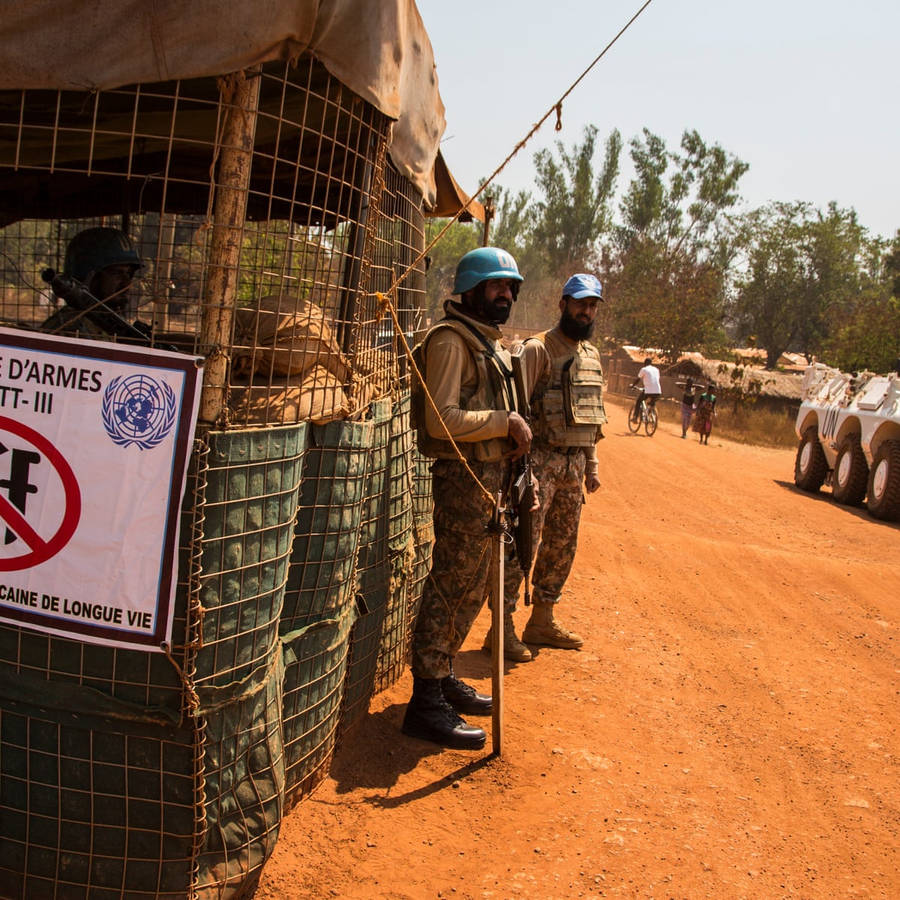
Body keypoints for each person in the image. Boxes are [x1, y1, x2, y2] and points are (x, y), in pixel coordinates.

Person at [403, 246, 533, 750]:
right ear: (473, 289)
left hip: (488, 480)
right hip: (463, 482)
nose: (506, 295)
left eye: (510, 287)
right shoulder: (451, 341)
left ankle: (443, 674)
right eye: (497, 286)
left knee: (475, 584)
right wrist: (504, 423)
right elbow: (442, 419)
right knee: (452, 582)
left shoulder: (487, 341)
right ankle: (425, 701)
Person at [485, 273, 606, 660]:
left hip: (573, 466)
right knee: (523, 546)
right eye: (580, 304)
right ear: (563, 304)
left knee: (560, 546)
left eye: (592, 306)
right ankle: (500, 630)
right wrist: (519, 470)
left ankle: (542, 619)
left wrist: (592, 465)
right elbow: (516, 409)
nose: (586, 312)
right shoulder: (539, 349)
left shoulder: (591, 355)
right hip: (537, 464)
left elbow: (592, 419)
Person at [42, 227, 143, 338]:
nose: (127, 283)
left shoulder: (107, 325)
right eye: (117, 273)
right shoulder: (69, 329)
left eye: (129, 273)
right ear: (90, 276)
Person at [631, 357, 661, 422]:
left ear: (645, 363)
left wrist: (633, 385)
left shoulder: (644, 369)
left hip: (648, 390)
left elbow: (638, 379)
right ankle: (650, 415)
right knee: (651, 403)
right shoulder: (656, 369)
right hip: (658, 391)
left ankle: (635, 417)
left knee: (639, 401)